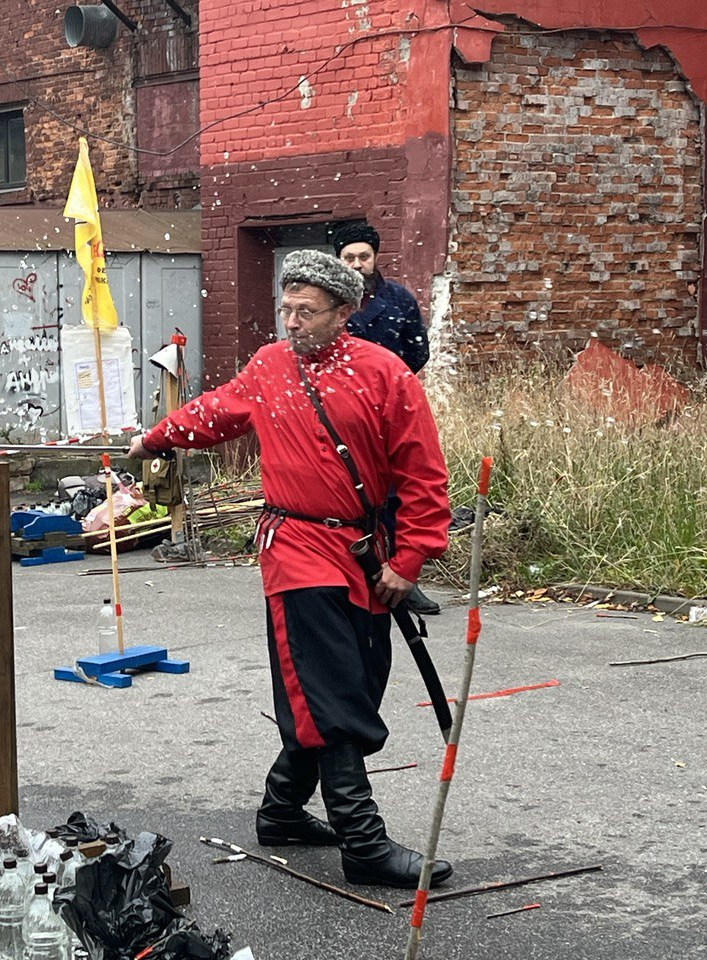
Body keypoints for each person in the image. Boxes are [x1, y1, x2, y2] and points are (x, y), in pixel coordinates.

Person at [128, 251, 453, 889]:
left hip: (365, 553)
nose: (292, 322)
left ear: (344, 313)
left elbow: (423, 476)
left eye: (307, 312)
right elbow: (214, 411)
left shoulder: (386, 375)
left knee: (351, 682)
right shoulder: (269, 367)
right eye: (286, 309)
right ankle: (363, 842)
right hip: (296, 550)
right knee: (329, 686)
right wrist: (156, 437)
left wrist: (408, 561)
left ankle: (280, 811)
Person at [334, 222, 441, 616]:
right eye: (349, 257)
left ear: (375, 257)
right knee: (349, 490)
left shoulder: (398, 300)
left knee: (396, 494)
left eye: (363, 256)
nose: (357, 264)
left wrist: (390, 385)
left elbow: (417, 351)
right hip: (339, 414)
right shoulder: (330, 302)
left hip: (390, 412)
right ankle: (348, 575)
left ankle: (401, 577)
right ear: (338, 260)